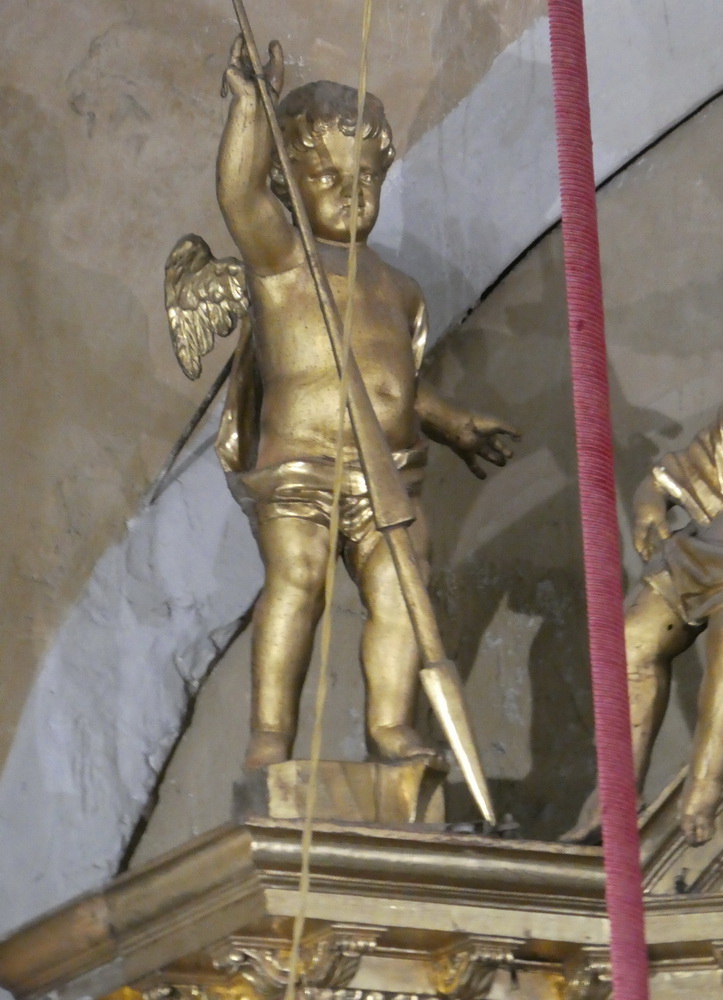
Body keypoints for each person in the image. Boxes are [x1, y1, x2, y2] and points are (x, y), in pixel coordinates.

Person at [214, 36, 520, 770]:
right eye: (327, 176)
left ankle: (390, 728)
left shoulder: (399, 289)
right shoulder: (284, 261)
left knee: (404, 592)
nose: (352, 194)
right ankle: (269, 741)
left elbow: (398, 386)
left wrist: (454, 423)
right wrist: (251, 109)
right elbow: (238, 197)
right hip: (301, 465)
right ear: (288, 181)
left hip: (391, 470)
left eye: (368, 178)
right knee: (297, 579)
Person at [564, 377, 723, 846]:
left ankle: (704, 789)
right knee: (630, 639)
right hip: (705, 549)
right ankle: (614, 796)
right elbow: (687, 468)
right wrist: (650, 501)